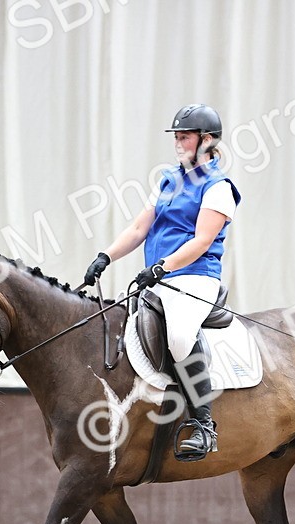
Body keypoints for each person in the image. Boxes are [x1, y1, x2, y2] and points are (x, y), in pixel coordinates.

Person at [83, 103, 241, 459]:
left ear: (207, 140)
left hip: (196, 278)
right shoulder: (169, 179)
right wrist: (105, 256)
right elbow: (140, 227)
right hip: (163, 278)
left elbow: (201, 241)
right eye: (177, 137)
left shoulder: (219, 188)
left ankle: (203, 424)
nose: (178, 143)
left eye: (185, 136)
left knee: (181, 334)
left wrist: (162, 267)